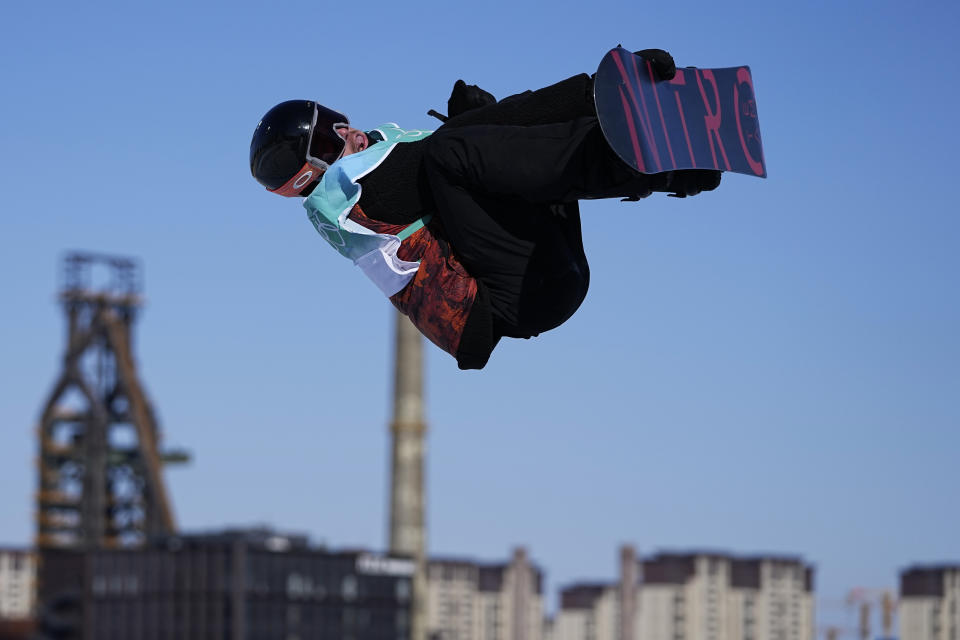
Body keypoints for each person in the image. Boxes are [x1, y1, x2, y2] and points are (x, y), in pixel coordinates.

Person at [250, 48, 721, 370]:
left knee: (485, 147)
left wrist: (475, 122)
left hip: (545, 268)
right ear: (313, 171)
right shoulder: (352, 199)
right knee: (455, 150)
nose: (349, 129)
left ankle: (667, 163)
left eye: (338, 117)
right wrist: (595, 91)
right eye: (331, 134)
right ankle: (650, 164)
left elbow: (502, 153)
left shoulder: (379, 173)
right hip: (523, 294)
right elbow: (445, 155)